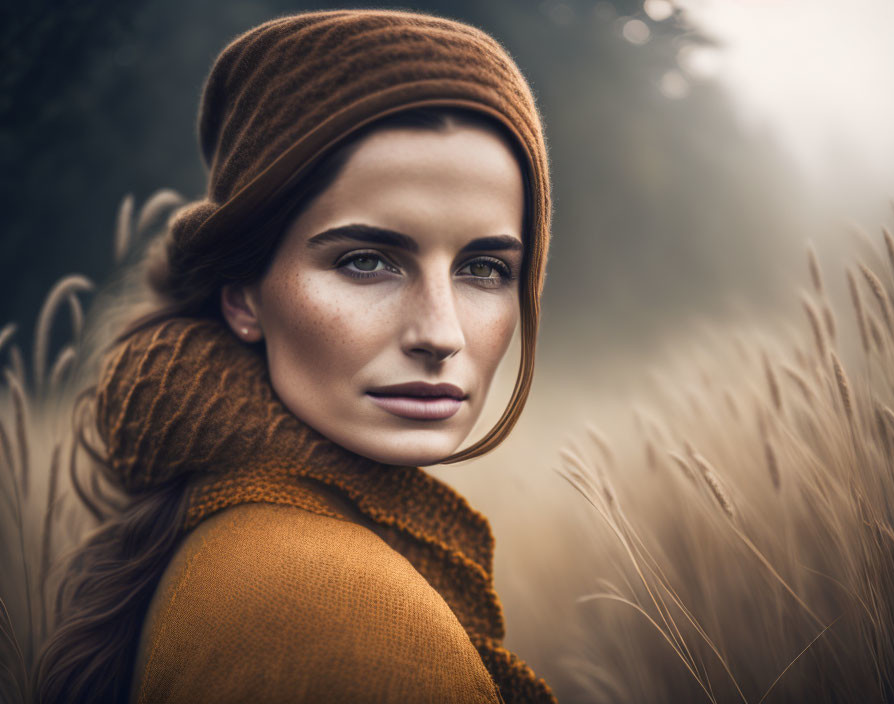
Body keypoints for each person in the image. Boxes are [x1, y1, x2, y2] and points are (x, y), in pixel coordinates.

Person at [34, 9, 554, 703]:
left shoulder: (235, 526)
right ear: (243, 294)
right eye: (367, 261)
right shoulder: (335, 606)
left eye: (484, 269)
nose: (441, 333)